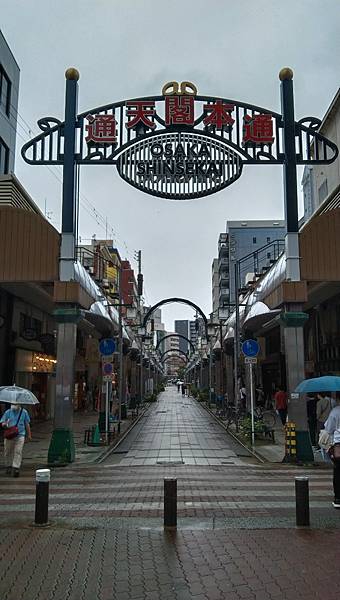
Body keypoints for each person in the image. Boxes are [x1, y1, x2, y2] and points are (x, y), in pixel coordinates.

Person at [1, 404, 31, 477]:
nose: (13, 405)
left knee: (18, 451)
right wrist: (4, 424)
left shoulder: (24, 412)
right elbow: (2, 422)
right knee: (8, 451)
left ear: (19, 404)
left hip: (20, 435)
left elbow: (27, 424)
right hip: (9, 435)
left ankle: (16, 467)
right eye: (13, 403)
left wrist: (29, 435)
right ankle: (8, 465)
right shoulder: (8, 412)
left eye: (15, 404)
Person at [324, 396, 340, 508]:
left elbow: (329, 429)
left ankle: (338, 498)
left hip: (339, 445)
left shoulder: (335, 411)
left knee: (338, 471)